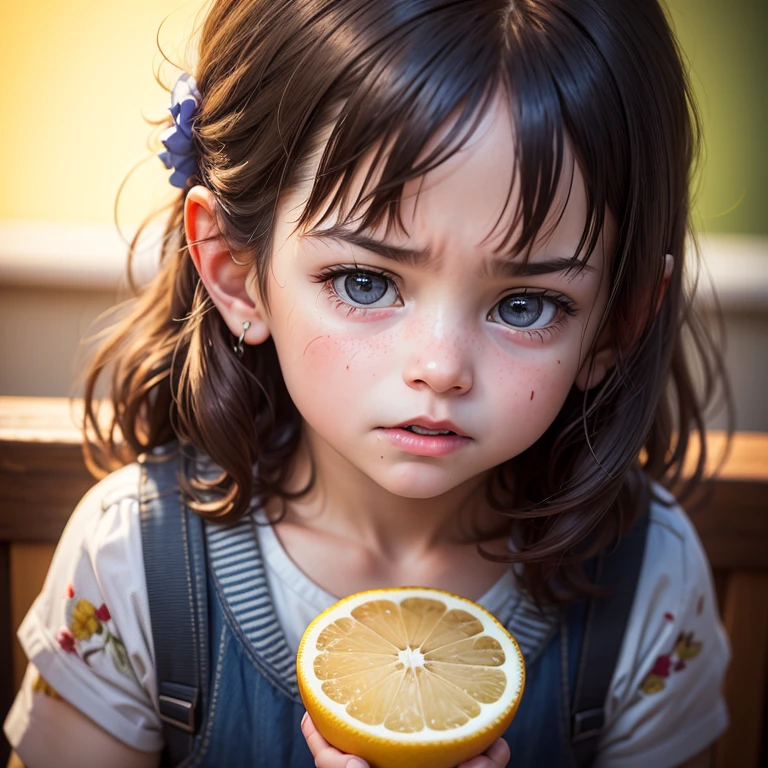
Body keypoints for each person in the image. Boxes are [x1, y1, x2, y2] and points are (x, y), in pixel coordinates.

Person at [4, 0, 732, 766]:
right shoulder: (131, 563)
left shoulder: (650, 574)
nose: (441, 367)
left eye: (525, 305)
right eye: (362, 282)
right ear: (236, 274)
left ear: (616, 323)